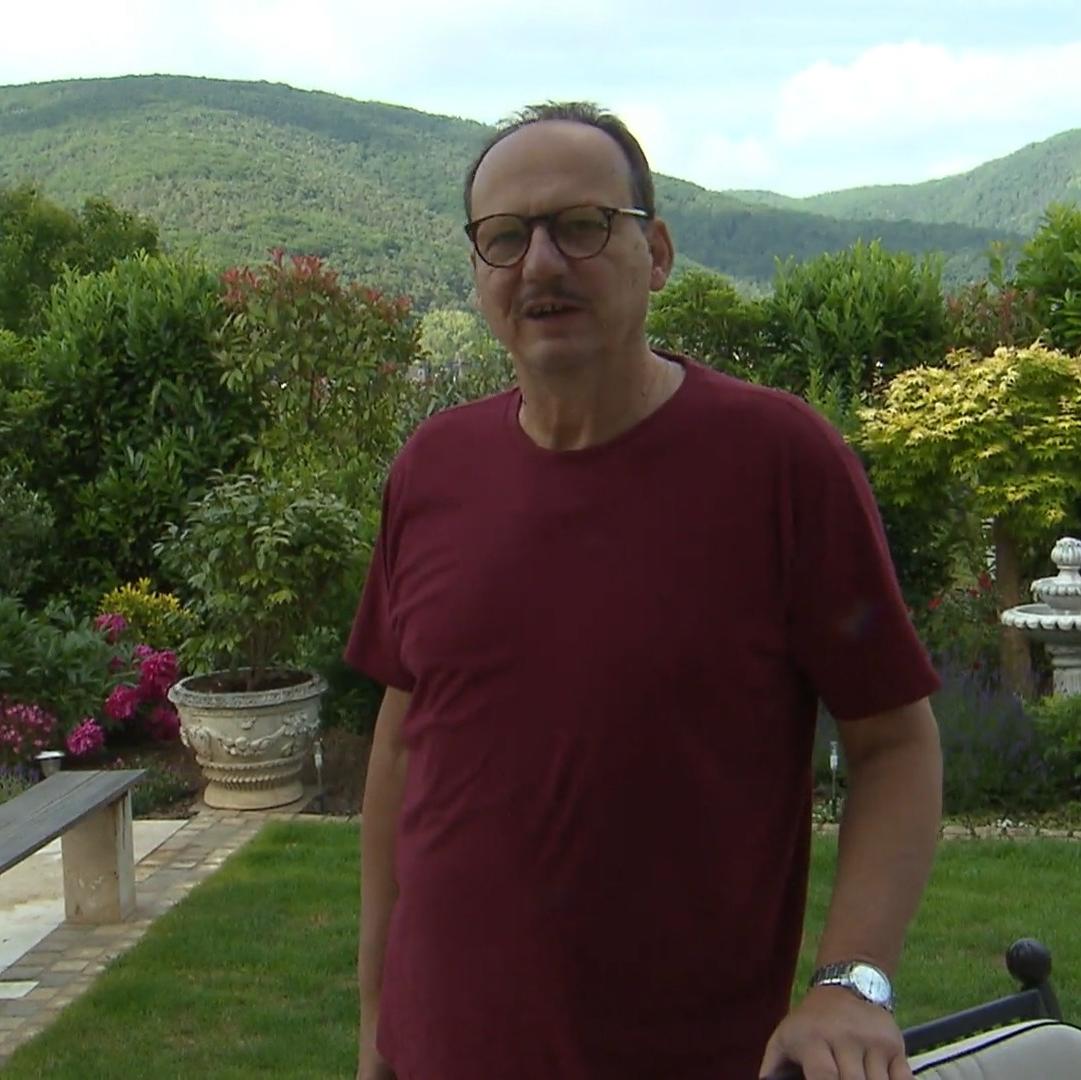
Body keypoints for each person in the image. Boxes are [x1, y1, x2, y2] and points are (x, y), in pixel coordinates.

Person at [346, 102, 943, 1080]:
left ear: (655, 252)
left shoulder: (779, 461)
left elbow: (893, 740)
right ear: (479, 271)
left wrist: (852, 983)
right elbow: (402, 742)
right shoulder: (432, 468)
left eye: (580, 226)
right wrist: (376, 1023)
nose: (540, 263)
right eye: (505, 238)